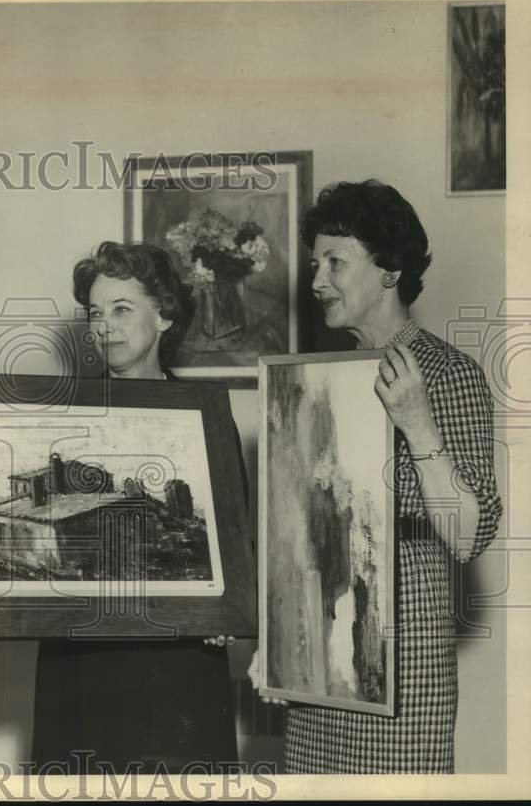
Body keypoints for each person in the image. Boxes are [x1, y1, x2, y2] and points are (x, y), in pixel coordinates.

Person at [249, 179, 503, 773]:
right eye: (316, 263)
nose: (316, 281)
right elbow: (302, 534)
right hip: (322, 668)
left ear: (389, 270)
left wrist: (416, 422)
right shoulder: (317, 380)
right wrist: (280, 638)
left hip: (404, 680)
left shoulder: (449, 375)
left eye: (335, 262)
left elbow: (468, 536)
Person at [31, 240, 248, 774]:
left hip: (177, 668)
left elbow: (234, 551)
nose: (103, 326)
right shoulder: (64, 421)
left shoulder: (209, 421)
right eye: (95, 313)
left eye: (122, 309)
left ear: (165, 315)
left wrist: (227, 606)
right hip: (81, 664)